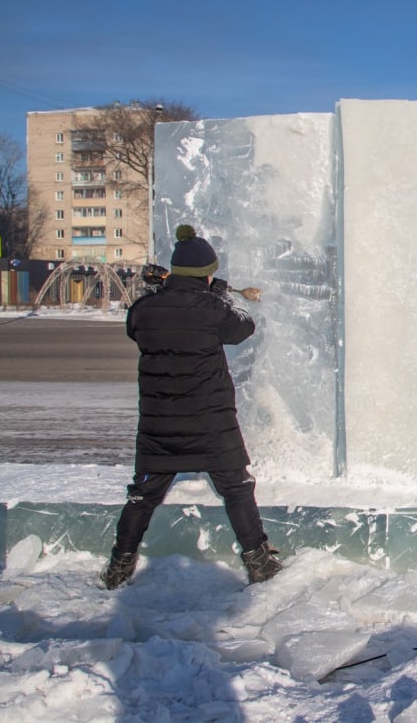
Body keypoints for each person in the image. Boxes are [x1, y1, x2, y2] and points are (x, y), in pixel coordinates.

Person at [101, 225, 283, 589]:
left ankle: (119, 566)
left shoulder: (146, 309)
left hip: (159, 428)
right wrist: (219, 296)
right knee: (237, 487)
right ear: (207, 273)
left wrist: (159, 290)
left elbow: (134, 323)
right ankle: (259, 561)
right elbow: (242, 327)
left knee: (142, 496)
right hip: (210, 423)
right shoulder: (213, 308)